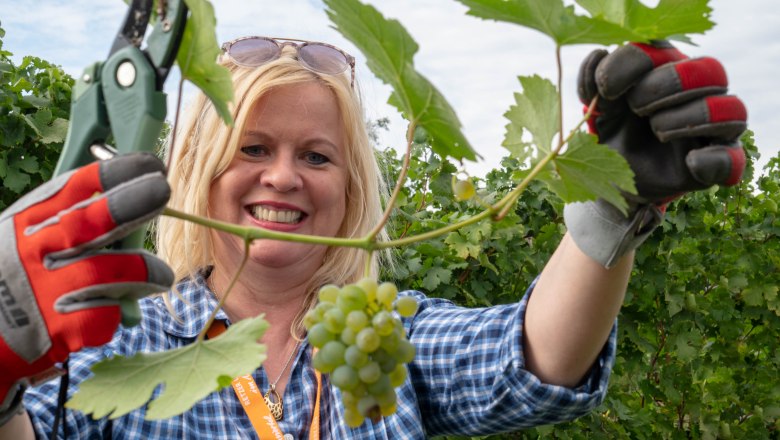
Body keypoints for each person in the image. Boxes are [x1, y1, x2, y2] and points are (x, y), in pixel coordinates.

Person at [0, 35, 746, 439]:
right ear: (199, 172)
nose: (284, 177)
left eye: (317, 156)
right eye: (253, 149)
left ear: (352, 188)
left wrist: (607, 209)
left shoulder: (388, 337)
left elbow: (537, 355)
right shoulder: (118, 349)